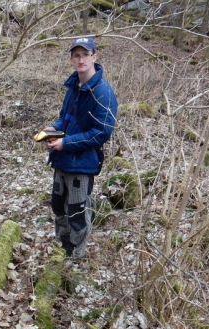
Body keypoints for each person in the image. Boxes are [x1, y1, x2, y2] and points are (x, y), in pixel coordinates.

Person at [42, 37, 118, 258]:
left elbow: (101, 132)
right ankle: (62, 247)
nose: (81, 59)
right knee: (58, 206)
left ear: (95, 56)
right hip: (62, 161)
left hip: (82, 164)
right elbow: (65, 119)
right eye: (77, 55)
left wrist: (65, 143)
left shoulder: (103, 93)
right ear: (71, 60)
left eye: (85, 54)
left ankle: (76, 253)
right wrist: (52, 129)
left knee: (77, 211)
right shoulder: (73, 87)